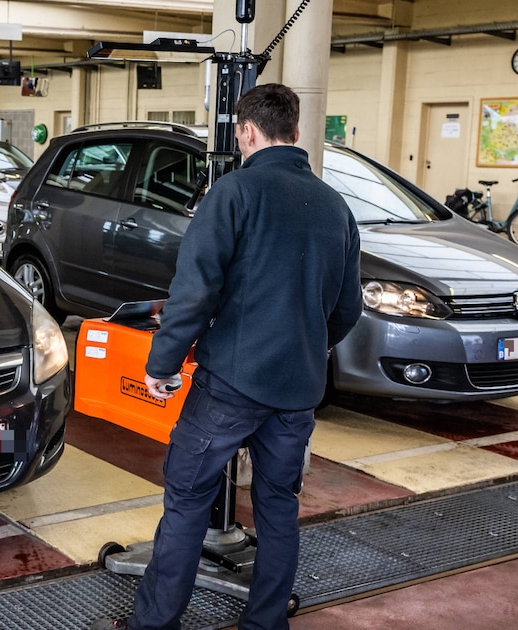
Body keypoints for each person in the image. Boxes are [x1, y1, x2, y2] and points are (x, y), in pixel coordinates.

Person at [91, 83, 362, 630]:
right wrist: (304, 345)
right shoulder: (335, 206)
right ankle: (265, 622)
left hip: (230, 385)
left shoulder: (235, 193)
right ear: (296, 131)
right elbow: (347, 307)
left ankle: (155, 623)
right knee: (279, 505)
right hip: (297, 390)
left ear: (246, 131)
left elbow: (194, 292)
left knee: (188, 498)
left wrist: (162, 364)